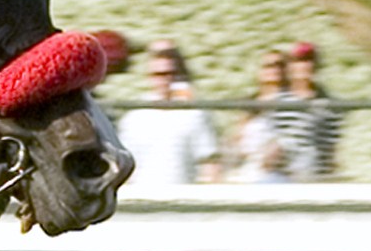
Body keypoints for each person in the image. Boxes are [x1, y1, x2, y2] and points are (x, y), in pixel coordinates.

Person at [114, 38, 218, 186]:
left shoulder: (194, 113)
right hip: (143, 200)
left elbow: (209, 163)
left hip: (184, 200)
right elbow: (124, 168)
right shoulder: (135, 117)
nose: (165, 79)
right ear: (150, 77)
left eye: (170, 73)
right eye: (159, 74)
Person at [273, 39, 340, 181]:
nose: (304, 66)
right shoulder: (279, 101)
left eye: (309, 61)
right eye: (298, 61)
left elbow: (331, 147)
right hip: (284, 176)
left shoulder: (328, 104)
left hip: (315, 176)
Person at [226, 47, 293, 183]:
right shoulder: (250, 103)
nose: (274, 70)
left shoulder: (291, 103)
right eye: (268, 66)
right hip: (247, 171)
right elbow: (237, 138)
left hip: (276, 173)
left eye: (279, 65)